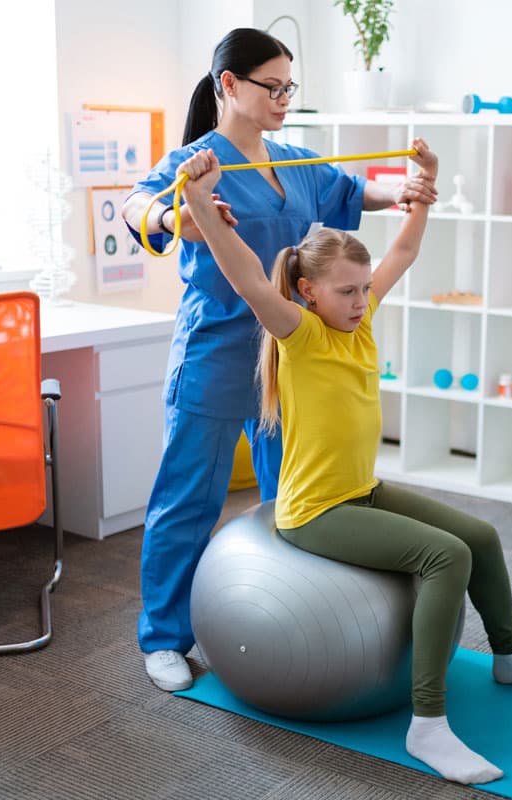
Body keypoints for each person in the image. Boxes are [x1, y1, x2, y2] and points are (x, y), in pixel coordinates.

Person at [174, 139, 512, 786]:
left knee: (480, 536)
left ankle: (511, 655)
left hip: (360, 491)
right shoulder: (300, 333)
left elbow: (404, 251)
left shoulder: (358, 325)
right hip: (314, 512)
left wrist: (426, 184)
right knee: (446, 557)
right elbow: (249, 277)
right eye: (346, 292)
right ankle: (428, 725)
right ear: (307, 292)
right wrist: (198, 197)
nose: (363, 300)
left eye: (365, 289)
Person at [120, 27, 438, 693]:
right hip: (215, 351)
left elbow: (352, 192)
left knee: (291, 496)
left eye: (291, 87)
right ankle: (164, 636)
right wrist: (179, 214)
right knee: (188, 498)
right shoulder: (196, 161)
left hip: (287, 361)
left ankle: (290, 621)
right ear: (229, 85)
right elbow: (137, 206)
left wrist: (406, 192)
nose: (285, 98)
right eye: (274, 86)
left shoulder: (295, 162)